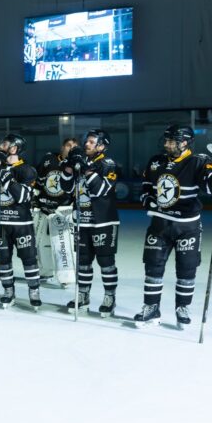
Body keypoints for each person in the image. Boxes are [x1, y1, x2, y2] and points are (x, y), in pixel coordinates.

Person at [135, 125, 212, 325]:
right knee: (153, 267)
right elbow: (146, 186)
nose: (166, 144)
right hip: (159, 224)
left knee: (187, 269)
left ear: (185, 142)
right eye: (166, 140)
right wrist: (147, 198)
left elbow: (210, 182)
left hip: (187, 227)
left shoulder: (198, 161)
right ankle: (152, 308)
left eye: (171, 141)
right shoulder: (156, 161)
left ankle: (183, 307)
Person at [59, 130, 119, 315]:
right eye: (87, 141)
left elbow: (100, 190)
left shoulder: (107, 164)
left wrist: (84, 167)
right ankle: (83, 295)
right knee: (83, 261)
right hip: (82, 221)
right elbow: (65, 187)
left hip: (103, 221)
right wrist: (69, 168)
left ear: (101, 146)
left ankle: (110, 296)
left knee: (106, 261)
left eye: (92, 142)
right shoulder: (81, 161)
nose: (87, 144)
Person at [0, 133, 41, 310]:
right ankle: (8, 291)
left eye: (4, 145)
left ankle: (34, 290)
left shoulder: (27, 169)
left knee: (29, 259)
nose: (0, 147)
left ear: (14, 148)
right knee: (3, 259)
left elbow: (21, 196)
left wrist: (4, 174)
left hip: (21, 224)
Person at [32, 138, 78, 286]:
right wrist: (35, 200)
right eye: (68, 146)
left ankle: (66, 275)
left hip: (63, 210)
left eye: (74, 147)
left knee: (64, 243)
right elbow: (37, 181)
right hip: (44, 208)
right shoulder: (48, 159)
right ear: (62, 147)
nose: (70, 149)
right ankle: (44, 272)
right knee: (41, 243)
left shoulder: (78, 163)